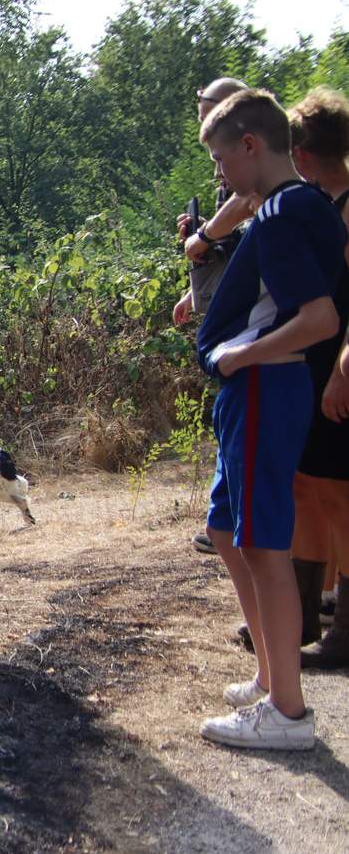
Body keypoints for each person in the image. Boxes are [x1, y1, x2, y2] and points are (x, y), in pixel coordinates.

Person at [193, 89, 345, 750]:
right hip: (257, 388)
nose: (221, 176)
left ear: (252, 146)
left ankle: (287, 712)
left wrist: (239, 357)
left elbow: (319, 318)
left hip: (264, 385)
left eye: (223, 160)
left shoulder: (283, 213)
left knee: (263, 541)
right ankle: (269, 671)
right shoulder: (298, 204)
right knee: (228, 527)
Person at [173, 76, 257, 557]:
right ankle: (225, 517)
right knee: (231, 415)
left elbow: (246, 225)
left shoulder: (250, 163)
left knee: (241, 418)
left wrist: (204, 236)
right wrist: (193, 292)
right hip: (224, 307)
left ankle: (235, 520)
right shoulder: (228, 163)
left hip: (248, 320)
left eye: (202, 105)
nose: (198, 113)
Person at [287, 88, 349, 669]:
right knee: (305, 485)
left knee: (338, 495)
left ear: (304, 151)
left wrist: (342, 371)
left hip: (339, 376)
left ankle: (344, 631)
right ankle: (300, 617)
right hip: (309, 372)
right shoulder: (315, 203)